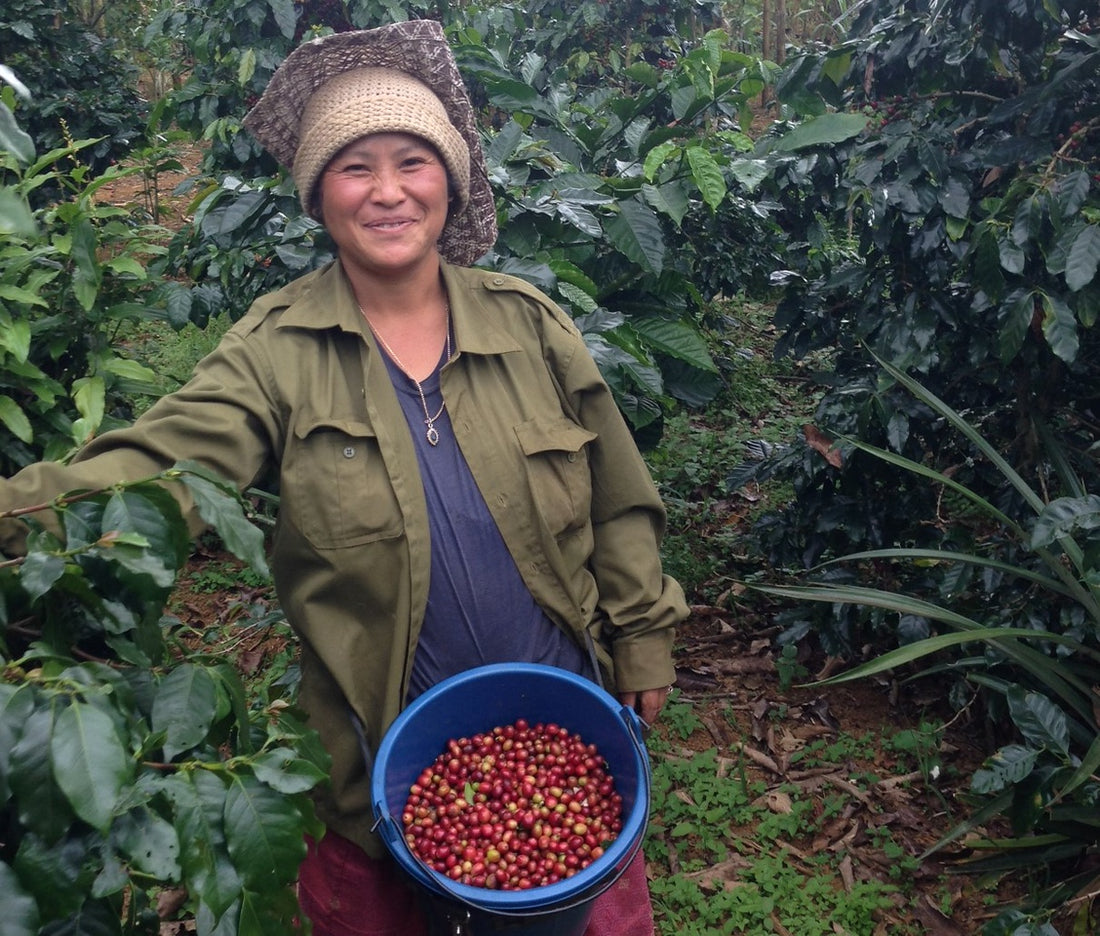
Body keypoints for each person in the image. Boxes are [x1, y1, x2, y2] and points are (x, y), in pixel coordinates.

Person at [0, 19, 688, 936]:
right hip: (378, 760)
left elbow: (617, 496)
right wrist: (20, 520)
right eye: (356, 167)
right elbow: (160, 468)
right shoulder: (277, 349)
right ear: (318, 194)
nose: (389, 192)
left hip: (561, 725)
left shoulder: (529, 324)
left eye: (413, 160)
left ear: (452, 177)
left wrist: (642, 639)